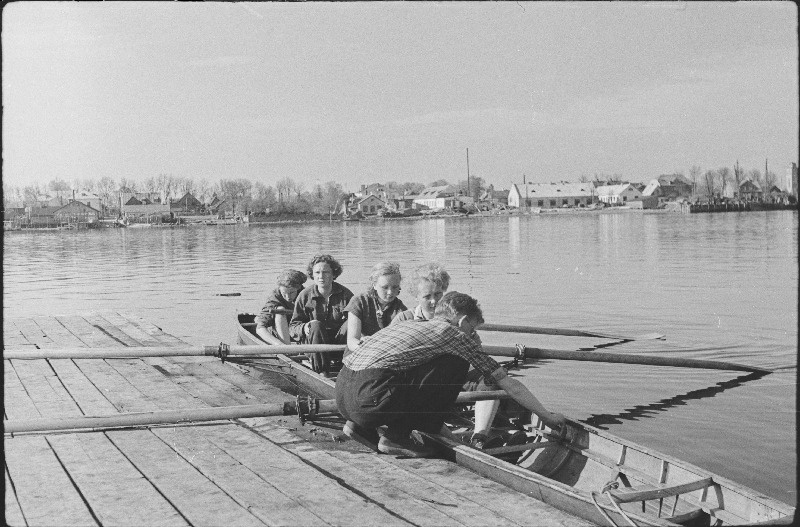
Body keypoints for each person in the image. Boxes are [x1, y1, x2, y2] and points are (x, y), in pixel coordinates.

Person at [336, 292, 565, 457]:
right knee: (455, 363)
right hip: (369, 400)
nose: (473, 335)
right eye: (472, 329)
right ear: (462, 321)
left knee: (403, 371)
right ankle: (395, 438)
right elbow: (508, 383)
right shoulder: (454, 335)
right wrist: (546, 416)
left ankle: (358, 428)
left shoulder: (410, 325)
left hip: (344, 397)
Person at [391, 263, 511, 451]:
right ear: (416, 297)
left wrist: (494, 375)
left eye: (438, 295)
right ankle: (453, 443)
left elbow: (479, 362)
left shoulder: (460, 319)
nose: (433, 302)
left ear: (445, 292)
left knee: (490, 380)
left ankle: (479, 437)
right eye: (426, 296)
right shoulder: (404, 320)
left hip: (452, 380)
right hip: (419, 383)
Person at [290, 254, 354, 374]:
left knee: (352, 321)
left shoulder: (346, 294)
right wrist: (305, 327)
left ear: (334, 274)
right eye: (317, 272)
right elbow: (293, 326)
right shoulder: (304, 295)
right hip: (314, 343)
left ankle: (347, 366)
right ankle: (322, 372)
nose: (321, 276)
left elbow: (357, 322)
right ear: (312, 274)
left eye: (325, 272)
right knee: (316, 325)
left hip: (338, 344)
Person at [345, 262, 407, 352]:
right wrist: (366, 349)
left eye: (394, 287)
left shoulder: (402, 311)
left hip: (387, 353)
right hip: (358, 351)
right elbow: (352, 340)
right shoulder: (359, 301)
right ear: (374, 285)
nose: (390, 292)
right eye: (385, 287)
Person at [255, 269, 307, 344]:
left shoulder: (306, 294)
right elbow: (260, 328)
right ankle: (287, 348)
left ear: (298, 288)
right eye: (284, 293)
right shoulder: (274, 297)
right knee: (280, 310)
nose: (288, 297)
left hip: (299, 330)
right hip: (280, 335)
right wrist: (278, 344)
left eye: (291, 292)